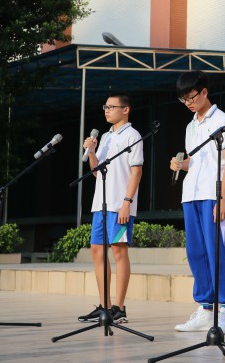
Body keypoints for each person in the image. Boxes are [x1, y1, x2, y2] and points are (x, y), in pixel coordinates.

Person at [169, 71, 225, 335]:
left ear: (205, 92)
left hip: (213, 195)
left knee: (216, 252)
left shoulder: (223, 121)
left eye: (191, 97)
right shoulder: (191, 126)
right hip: (191, 194)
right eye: (183, 99)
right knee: (196, 253)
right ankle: (205, 308)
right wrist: (181, 164)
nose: (188, 103)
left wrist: (222, 198)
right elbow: (196, 162)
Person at [78, 92, 144, 324]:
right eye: (105, 107)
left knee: (118, 251)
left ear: (125, 109)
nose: (106, 110)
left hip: (119, 205)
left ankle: (120, 308)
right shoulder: (105, 136)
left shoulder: (133, 135)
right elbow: (96, 171)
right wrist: (92, 151)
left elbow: (136, 172)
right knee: (97, 251)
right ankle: (104, 305)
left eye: (111, 107)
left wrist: (127, 203)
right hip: (101, 204)